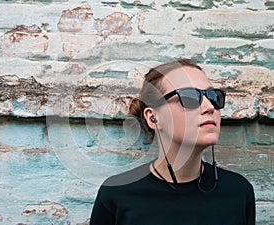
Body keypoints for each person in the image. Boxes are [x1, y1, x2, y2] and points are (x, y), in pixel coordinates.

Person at [90, 58, 255, 225]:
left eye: (213, 96)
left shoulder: (238, 192)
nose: (209, 107)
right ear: (153, 117)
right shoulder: (116, 195)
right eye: (189, 97)